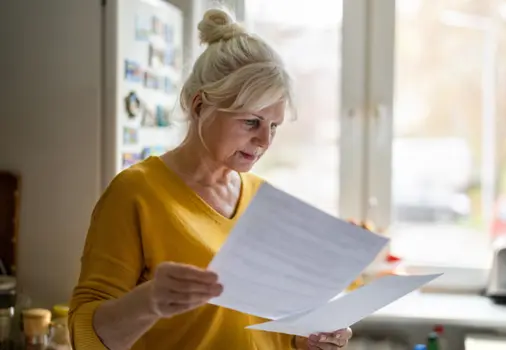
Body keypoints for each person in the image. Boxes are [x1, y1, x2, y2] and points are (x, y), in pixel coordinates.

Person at [69, 8, 353, 350]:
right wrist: (150, 301)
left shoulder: (263, 198)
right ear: (200, 105)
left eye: (273, 126)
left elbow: (266, 329)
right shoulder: (136, 193)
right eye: (251, 122)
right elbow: (85, 334)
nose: (265, 141)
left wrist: (306, 340)